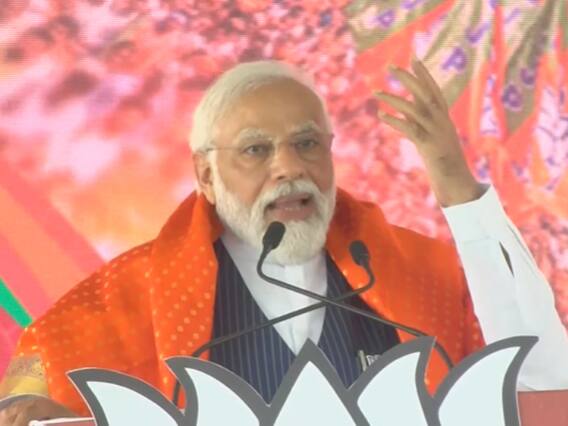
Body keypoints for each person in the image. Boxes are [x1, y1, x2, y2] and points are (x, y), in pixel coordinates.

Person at [1, 59, 567, 424]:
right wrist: (29, 406)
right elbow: (32, 371)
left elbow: (542, 376)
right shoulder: (139, 288)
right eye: (256, 150)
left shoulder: (411, 270)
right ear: (205, 175)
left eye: (307, 144)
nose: (289, 168)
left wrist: (459, 191)